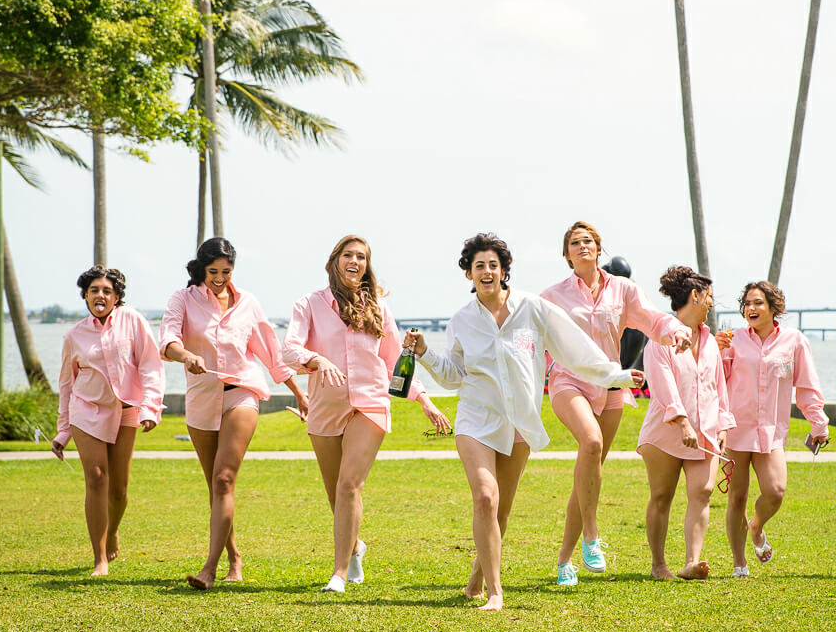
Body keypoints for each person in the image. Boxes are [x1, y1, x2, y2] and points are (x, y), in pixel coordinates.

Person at [403, 233, 644, 611]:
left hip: (518, 423)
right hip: (475, 419)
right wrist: (425, 353)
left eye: (493, 265)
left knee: (500, 510)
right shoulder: (462, 320)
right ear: (469, 274)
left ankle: (475, 581)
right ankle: (495, 593)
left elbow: (574, 349)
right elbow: (453, 376)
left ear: (504, 271)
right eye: (478, 265)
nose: (486, 271)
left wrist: (617, 376)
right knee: (485, 497)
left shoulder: (532, 308)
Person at [283, 234, 451, 593]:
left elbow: (394, 361)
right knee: (336, 495)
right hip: (326, 406)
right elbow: (289, 350)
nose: (354, 261)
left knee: (349, 485)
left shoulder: (378, 309)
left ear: (366, 265)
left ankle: (339, 573)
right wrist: (317, 359)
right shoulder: (309, 304)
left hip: (371, 403)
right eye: (348, 255)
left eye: (361, 257)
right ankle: (355, 545)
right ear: (334, 262)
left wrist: (424, 399)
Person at [540, 221, 691, 585]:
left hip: (610, 384)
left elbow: (651, 319)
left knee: (588, 473)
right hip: (569, 380)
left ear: (599, 248)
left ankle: (564, 561)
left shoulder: (622, 290)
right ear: (566, 254)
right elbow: (530, 337)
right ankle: (591, 536)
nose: (582, 246)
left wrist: (676, 332)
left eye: (588, 241)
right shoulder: (552, 296)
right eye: (574, 243)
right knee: (590, 443)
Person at [159, 237, 309, 590]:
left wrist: (300, 394)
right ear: (202, 268)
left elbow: (271, 353)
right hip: (201, 399)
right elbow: (167, 340)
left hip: (242, 392)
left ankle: (208, 569)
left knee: (225, 479)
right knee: (215, 487)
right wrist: (186, 355)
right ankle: (234, 556)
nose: (220, 278)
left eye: (226, 271)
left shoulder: (248, 303)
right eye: (213, 271)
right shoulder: (182, 299)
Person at [53, 265, 165, 576]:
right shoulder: (74, 335)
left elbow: (151, 365)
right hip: (86, 410)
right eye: (94, 291)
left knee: (119, 489)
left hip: (126, 409)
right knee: (97, 478)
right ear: (85, 296)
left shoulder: (133, 321)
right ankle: (99, 557)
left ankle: (112, 530)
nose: (100, 295)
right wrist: (64, 431)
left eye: (106, 291)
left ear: (116, 296)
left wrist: (150, 408)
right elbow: (66, 384)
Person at [715, 280, 829, 578]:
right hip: (735, 429)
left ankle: (756, 526)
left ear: (773, 307)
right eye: (747, 304)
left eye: (758, 303)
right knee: (736, 497)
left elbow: (806, 386)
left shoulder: (794, 341)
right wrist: (715, 350)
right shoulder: (732, 340)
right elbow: (714, 381)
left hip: (771, 432)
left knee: (775, 491)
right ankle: (739, 563)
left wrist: (818, 422)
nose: (751, 309)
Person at [636, 266, 734, 581]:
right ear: (695, 296)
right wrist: (682, 423)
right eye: (709, 298)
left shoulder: (708, 342)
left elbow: (718, 387)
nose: (711, 304)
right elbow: (662, 386)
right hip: (665, 433)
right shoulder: (659, 339)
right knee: (662, 496)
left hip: (705, 431)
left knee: (703, 491)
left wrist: (722, 426)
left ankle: (693, 562)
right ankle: (658, 565)